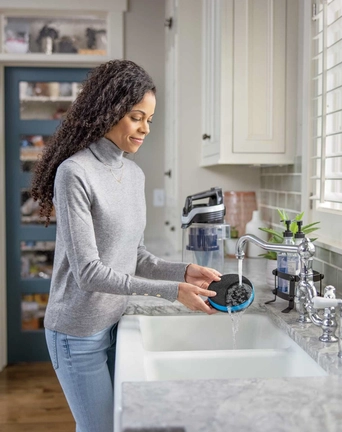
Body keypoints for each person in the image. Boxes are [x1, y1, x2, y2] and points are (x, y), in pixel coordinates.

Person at [31, 59, 220, 432]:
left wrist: (183, 271)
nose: (145, 128)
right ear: (110, 111)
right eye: (137, 117)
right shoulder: (75, 173)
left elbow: (136, 256)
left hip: (115, 323)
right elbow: (88, 273)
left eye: (149, 119)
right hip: (76, 332)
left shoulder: (133, 175)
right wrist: (172, 291)